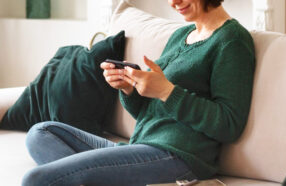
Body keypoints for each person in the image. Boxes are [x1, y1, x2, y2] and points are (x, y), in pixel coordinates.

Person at [22, 0, 255, 185]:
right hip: (140, 147)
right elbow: (147, 113)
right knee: (40, 132)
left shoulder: (232, 41)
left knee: (36, 180)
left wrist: (167, 91)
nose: (174, 2)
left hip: (179, 157)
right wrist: (127, 88)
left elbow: (229, 124)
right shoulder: (179, 36)